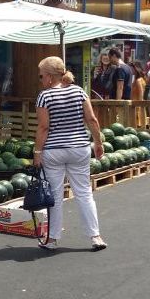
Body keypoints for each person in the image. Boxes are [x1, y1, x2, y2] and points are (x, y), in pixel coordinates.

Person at [34, 56, 107, 251]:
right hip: (79, 149)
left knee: (55, 197)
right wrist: (98, 142)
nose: (41, 79)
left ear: (50, 77)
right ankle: (95, 236)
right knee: (84, 193)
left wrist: (37, 151)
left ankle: (52, 239)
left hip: (54, 151)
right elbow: (91, 119)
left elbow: (43, 127)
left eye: (41, 75)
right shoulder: (79, 91)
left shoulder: (45, 96)